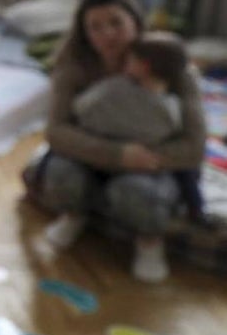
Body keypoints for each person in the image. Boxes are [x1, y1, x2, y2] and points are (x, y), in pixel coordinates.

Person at [39, 0, 207, 283]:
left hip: (150, 163)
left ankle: (149, 242)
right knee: (61, 174)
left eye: (116, 23)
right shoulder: (73, 69)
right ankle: (75, 215)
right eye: (96, 27)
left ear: (136, 23)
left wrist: (146, 158)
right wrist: (117, 155)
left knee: (136, 194)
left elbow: (194, 146)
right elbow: (56, 131)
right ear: (85, 33)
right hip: (92, 155)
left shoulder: (175, 69)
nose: (107, 34)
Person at [69, 31, 205, 225]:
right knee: (187, 172)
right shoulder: (174, 106)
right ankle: (196, 207)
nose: (125, 63)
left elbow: (80, 107)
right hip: (153, 162)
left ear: (143, 66)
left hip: (116, 156)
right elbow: (181, 140)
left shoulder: (114, 88)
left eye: (130, 60)